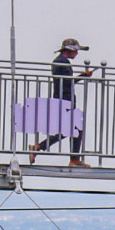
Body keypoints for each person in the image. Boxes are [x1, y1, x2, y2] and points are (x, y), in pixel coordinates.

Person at [25, 37, 91, 166]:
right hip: (64, 101)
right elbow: (67, 82)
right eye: (76, 51)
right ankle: (72, 159)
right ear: (70, 50)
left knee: (72, 129)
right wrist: (83, 76)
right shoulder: (61, 62)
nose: (77, 53)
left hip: (64, 100)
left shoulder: (61, 61)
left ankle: (40, 148)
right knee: (75, 129)